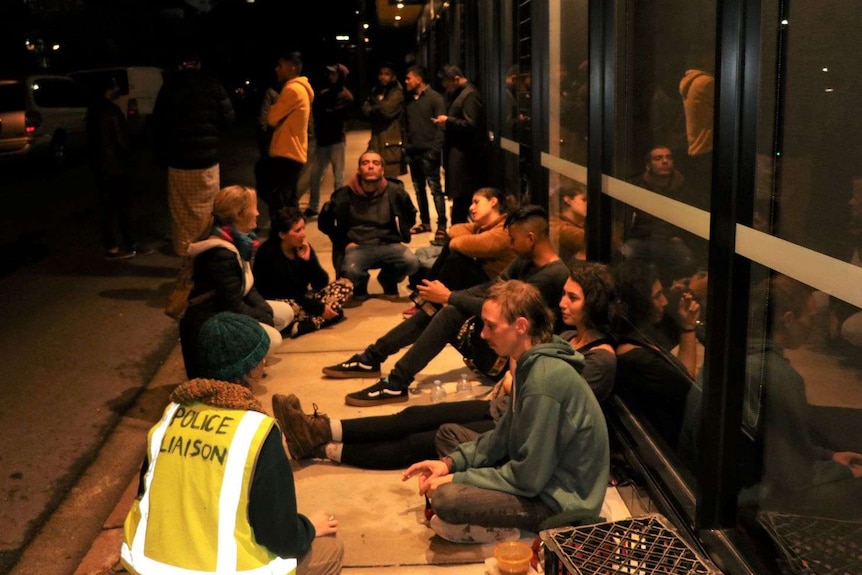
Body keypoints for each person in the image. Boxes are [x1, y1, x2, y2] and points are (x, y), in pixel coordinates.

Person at [272, 260, 616, 470]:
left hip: (519, 430)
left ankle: (324, 448)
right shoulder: (569, 335)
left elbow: (551, 410)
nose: (562, 302)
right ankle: (321, 428)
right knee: (411, 416)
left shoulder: (600, 358)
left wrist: (515, 375)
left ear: (595, 303)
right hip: (501, 408)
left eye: (573, 297)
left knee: (422, 440)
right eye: (564, 294)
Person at [121, 312, 343, 575]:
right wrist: (309, 526)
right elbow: (282, 539)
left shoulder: (170, 417)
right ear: (251, 370)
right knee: (331, 550)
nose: (265, 362)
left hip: (148, 568)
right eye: (261, 357)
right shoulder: (255, 433)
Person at [402, 280, 610, 543]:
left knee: (446, 498)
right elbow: (504, 434)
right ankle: (484, 510)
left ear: (521, 326)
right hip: (537, 473)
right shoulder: (530, 362)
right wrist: (448, 465)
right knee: (448, 435)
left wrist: (458, 478)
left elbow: (529, 478)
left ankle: (505, 529)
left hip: (559, 500)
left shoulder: (544, 380)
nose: (483, 334)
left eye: (491, 326)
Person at [323, 206, 569, 408]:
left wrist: (450, 297)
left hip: (508, 361)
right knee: (443, 305)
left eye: (513, 240)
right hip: (500, 340)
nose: (511, 246)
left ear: (531, 239)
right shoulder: (524, 261)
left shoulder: (551, 276)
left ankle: (396, 381)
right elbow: (491, 290)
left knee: (450, 310)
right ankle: (372, 358)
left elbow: (501, 312)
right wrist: (446, 296)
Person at [179, 185, 294, 379]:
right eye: (253, 208)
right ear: (239, 214)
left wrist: (264, 310)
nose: (258, 212)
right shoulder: (220, 253)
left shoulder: (240, 241)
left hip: (225, 312)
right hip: (211, 325)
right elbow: (231, 305)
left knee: (284, 313)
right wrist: (263, 319)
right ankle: (235, 368)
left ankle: (247, 358)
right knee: (271, 339)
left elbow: (247, 287)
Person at [152, 50, 235, 256]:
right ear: (199, 64)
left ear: (180, 65)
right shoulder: (213, 85)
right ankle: (208, 246)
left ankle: (185, 248)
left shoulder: (169, 88)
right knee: (208, 206)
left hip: (179, 159)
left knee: (182, 209)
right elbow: (229, 119)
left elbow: (158, 124)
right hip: (207, 160)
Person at [612, 260, 700, 449]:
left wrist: (686, 325)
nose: (664, 302)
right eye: (657, 296)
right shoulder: (641, 362)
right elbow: (687, 381)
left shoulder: (634, 334)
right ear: (640, 303)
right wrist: (689, 328)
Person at [317, 150, 418, 302]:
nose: (370, 166)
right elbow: (325, 224)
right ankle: (360, 283)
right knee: (349, 271)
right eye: (365, 163)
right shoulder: (343, 196)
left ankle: (388, 279)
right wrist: (344, 243)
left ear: (382, 170)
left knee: (411, 262)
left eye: (375, 163)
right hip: (358, 246)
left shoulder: (395, 192)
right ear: (359, 170)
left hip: (387, 243)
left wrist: (400, 232)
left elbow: (410, 214)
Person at [404, 187, 516, 317]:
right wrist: (458, 241)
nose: (471, 208)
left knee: (455, 258)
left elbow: (463, 243)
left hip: (495, 286)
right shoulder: (482, 226)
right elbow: (455, 229)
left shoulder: (503, 230)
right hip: (482, 278)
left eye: (476, 202)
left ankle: (427, 302)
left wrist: (456, 242)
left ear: (493, 202)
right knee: (443, 256)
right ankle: (426, 300)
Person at [253, 207, 354, 338]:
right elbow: (290, 292)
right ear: (282, 234)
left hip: (304, 298)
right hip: (281, 302)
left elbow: (321, 282)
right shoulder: (269, 254)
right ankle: (324, 316)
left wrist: (308, 261)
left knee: (345, 285)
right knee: (291, 308)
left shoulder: (301, 246)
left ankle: (311, 323)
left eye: (303, 228)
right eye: (297, 230)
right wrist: (319, 308)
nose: (303, 234)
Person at [620, 145, 697, 285]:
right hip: (641, 239)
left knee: (687, 261)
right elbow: (625, 220)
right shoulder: (636, 186)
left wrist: (680, 236)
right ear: (648, 166)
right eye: (658, 158)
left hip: (669, 240)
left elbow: (691, 218)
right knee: (623, 255)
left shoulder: (683, 188)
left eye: (669, 157)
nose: (665, 161)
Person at [85, 74, 138, 260]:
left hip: (100, 167)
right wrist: (129, 160)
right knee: (123, 207)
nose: (118, 89)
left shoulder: (92, 110)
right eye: (115, 86)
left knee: (106, 209)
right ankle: (126, 244)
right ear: (109, 89)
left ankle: (112, 246)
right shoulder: (111, 111)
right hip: (115, 166)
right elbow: (120, 140)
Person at [435, 65, 486, 226]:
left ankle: (459, 233)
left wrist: (448, 121)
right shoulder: (458, 93)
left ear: (456, 79)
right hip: (458, 152)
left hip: (465, 155)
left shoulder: (470, 95)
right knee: (459, 197)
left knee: (462, 196)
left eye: (447, 84)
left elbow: (471, 124)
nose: (446, 88)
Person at [267, 51, 314, 219]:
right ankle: (295, 233)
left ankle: (284, 236)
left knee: (282, 202)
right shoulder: (300, 89)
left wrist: (273, 107)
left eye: (280, 66)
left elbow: (271, 118)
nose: (276, 69)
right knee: (291, 199)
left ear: (291, 68)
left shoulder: (292, 90)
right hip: (294, 152)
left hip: (287, 152)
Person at [403, 64, 446, 238]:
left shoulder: (435, 98)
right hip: (413, 152)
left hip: (429, 152)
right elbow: (404, 125)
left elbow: (441, 127)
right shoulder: (409, 101)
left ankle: (441, 224)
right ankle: (425, 222)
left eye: (408, 78)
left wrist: (434, 150)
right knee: (418, 189)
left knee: (435, 189)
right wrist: (406, 145)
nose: (406, 82)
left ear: (419, 79)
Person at [307, 64, 353, 219]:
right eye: (330, 74)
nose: (330, 76)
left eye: (334, 74)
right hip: (323, 140)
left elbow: (336, 115)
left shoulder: (346, 96)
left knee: (338, 177)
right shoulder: (324, 93)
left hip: (336, 141)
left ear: (341, 76)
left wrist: (326, 112)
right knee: (315, 176)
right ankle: (313, 206)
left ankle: (337, 206)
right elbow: (319, 112)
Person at [362, 62, 406, 180]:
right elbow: (365, 109)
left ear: (393, 76)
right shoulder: (376, 89)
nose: (383, 77)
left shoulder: (397, 91)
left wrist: (375, 106)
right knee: (376, 178)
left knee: (391, 180)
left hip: (390, 142)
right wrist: (377, 108)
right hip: (376, 140)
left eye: (387, 74)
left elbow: (386, 112)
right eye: (381, 74)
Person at [550, 180, 587, 264]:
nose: (588, 204)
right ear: (568, 200)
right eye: (584, 200)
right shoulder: (559, 226)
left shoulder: (580, 225)